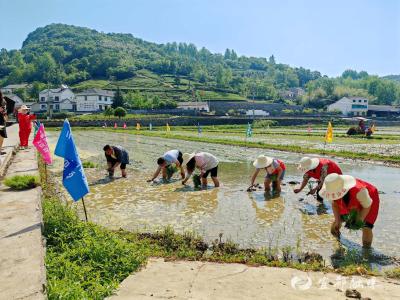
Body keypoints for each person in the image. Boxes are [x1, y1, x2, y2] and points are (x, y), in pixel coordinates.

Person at [319, 173, 380, 248]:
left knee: (366, 226)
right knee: (336, 224)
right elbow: (335, 205)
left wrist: (359, 220)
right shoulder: (331, 190)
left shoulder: (360, 191)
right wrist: (338, 221)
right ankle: (336, 242)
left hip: (369, 198)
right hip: (351, 200)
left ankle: (366, 251)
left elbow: (367, 206)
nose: (334, 196)